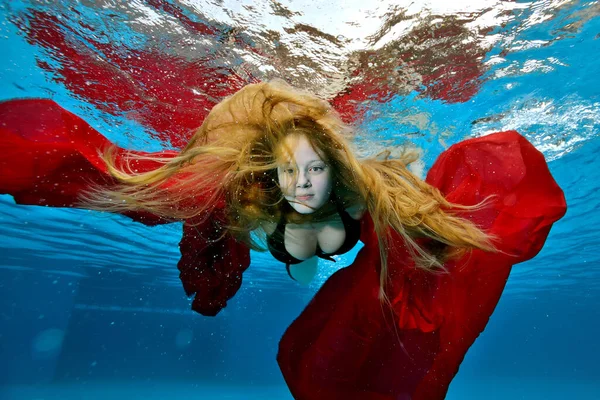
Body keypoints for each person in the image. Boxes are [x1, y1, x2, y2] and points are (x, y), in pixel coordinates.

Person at [0, 80, 566, 399]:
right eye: (288, 178)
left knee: (421, 256)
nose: (302, 189)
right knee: (191, 220)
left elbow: (482, 195)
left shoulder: (367, 189)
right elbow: (97, 171)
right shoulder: (212, 189)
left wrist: (436, 254)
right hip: (228, 185)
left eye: (315, 175)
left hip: (296, 182)